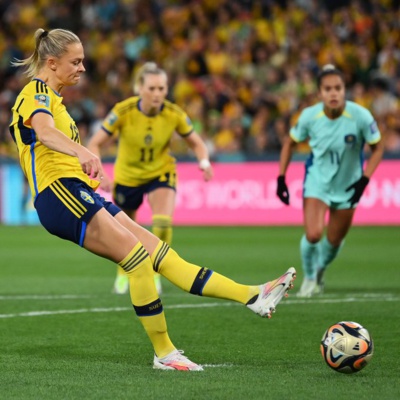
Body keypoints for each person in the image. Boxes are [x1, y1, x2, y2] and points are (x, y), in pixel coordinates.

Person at [9, 28, 296, 371]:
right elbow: (43, 132)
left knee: (161, 254)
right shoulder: (35, 92)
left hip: (78, 190)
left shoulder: (56, 100)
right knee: (136, 260)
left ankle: (253, 295)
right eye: (77, 61)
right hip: (59, 194)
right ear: (52, 63)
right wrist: (85, 152)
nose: (83, 68)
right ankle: (165, 353)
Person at [87, 62, 213, 296]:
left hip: (160, 173)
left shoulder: (173, 114)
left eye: (162, 89)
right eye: (152, 88)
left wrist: (204, 162)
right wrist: (102, 173)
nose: (157, 94)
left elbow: (196, 142)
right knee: (124, 229)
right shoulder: (123, 111)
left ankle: (155, 273)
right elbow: (95, 142)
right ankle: (123, 272)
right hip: (128, 176)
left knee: (163, 222)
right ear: (139, 88)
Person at [276, 64, 384, 298]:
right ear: (320, 93)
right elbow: (290, 143)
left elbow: (378, 148)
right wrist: (281, 177)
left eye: (338, 88)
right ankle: (310, 278)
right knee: (314, 234)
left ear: (345, 90)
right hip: (317, 181)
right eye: (328, 89)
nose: (333, 93)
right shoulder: (309, 117)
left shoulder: (361, 116)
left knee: (334, 241)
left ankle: (320, 270)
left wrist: (364, 180)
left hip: (349, 184)